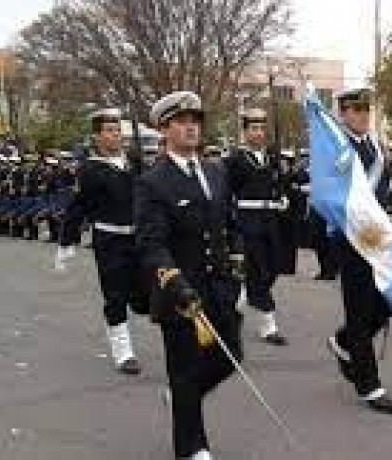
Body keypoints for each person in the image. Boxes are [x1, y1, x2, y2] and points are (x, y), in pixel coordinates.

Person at [136, 91, 244, 460]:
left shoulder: (215, 172)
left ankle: (183, 398)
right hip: (180, 293)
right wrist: (175, 283)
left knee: (232, 355)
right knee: (184, 370)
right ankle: (192, 447)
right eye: (182, 121)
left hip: (219, 287)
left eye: (196, 120)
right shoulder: (153, 182)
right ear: (165, 129)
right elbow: (152, 244)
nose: (191, 127)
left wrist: (237, 272)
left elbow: (227, 227)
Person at [326, 87, 392, 414]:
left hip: (378, 237)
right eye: (355, 110)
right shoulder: (336, 147)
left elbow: (382, 190)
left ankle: (343, 342)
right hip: (353, 238)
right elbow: (337, 195)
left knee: (386, 305)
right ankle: (369, 385)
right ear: (343, 114)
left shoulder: (373, 145)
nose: (362, 115)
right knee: (360, 309)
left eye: (365, 110)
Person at [61, 108, 150, 374]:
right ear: (97, 137)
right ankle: (124, 352)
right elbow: (77, 207)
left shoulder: (134, 163)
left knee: (144, 296)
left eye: (118, 131)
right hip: (109, 240)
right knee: (115, 296)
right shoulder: (90, 170)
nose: (116, 136)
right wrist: (67, 242)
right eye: (109, 131)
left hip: (138, 239)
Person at [223, 108, 289, 346]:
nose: (259, 133)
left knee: (271, 269)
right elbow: (226, 192)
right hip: (247, 221)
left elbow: (279, 185)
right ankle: (268, 326)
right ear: (245, 131)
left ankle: (241, 300)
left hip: (269, 221)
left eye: (262, 128)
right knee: (259, 272)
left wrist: (282, 197)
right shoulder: (234, 160)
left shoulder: (271, 159)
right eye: (254, 128)